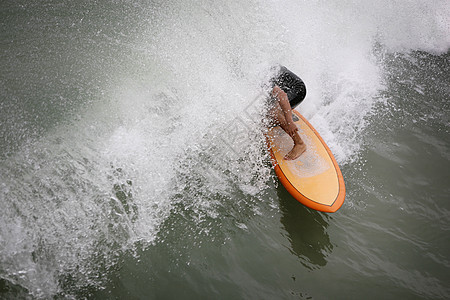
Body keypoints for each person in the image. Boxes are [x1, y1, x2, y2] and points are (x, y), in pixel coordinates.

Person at [267, 66, 307, 160]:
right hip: (287, 88)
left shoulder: (264, 77)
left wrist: (289, 122)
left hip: (298, 91)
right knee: (268, 107)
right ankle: (284, 113)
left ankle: (299, 143)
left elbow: (281, 95)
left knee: (273, 112)